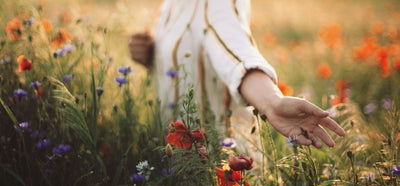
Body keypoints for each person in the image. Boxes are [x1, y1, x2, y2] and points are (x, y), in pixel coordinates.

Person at [129, 0, 345, 148]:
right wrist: (150, 54)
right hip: (176, 162)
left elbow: (234, 52)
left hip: (224, 168)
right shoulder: (170, 4)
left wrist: (271, 102)